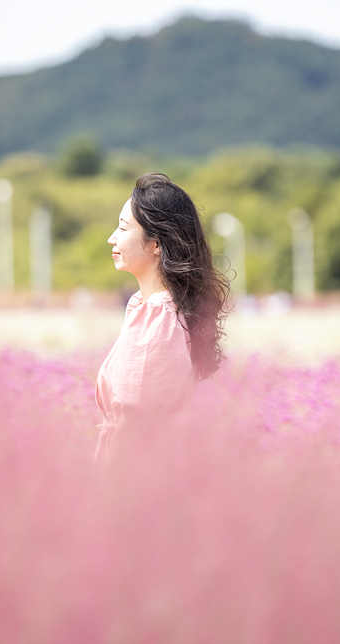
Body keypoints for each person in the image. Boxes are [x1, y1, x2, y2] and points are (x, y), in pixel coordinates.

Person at [94, 173, 230, 465]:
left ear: (156, 244)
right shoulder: (159, 308)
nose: (112, 238)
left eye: (122, 228)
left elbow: (132, 428)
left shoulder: (159, 316)